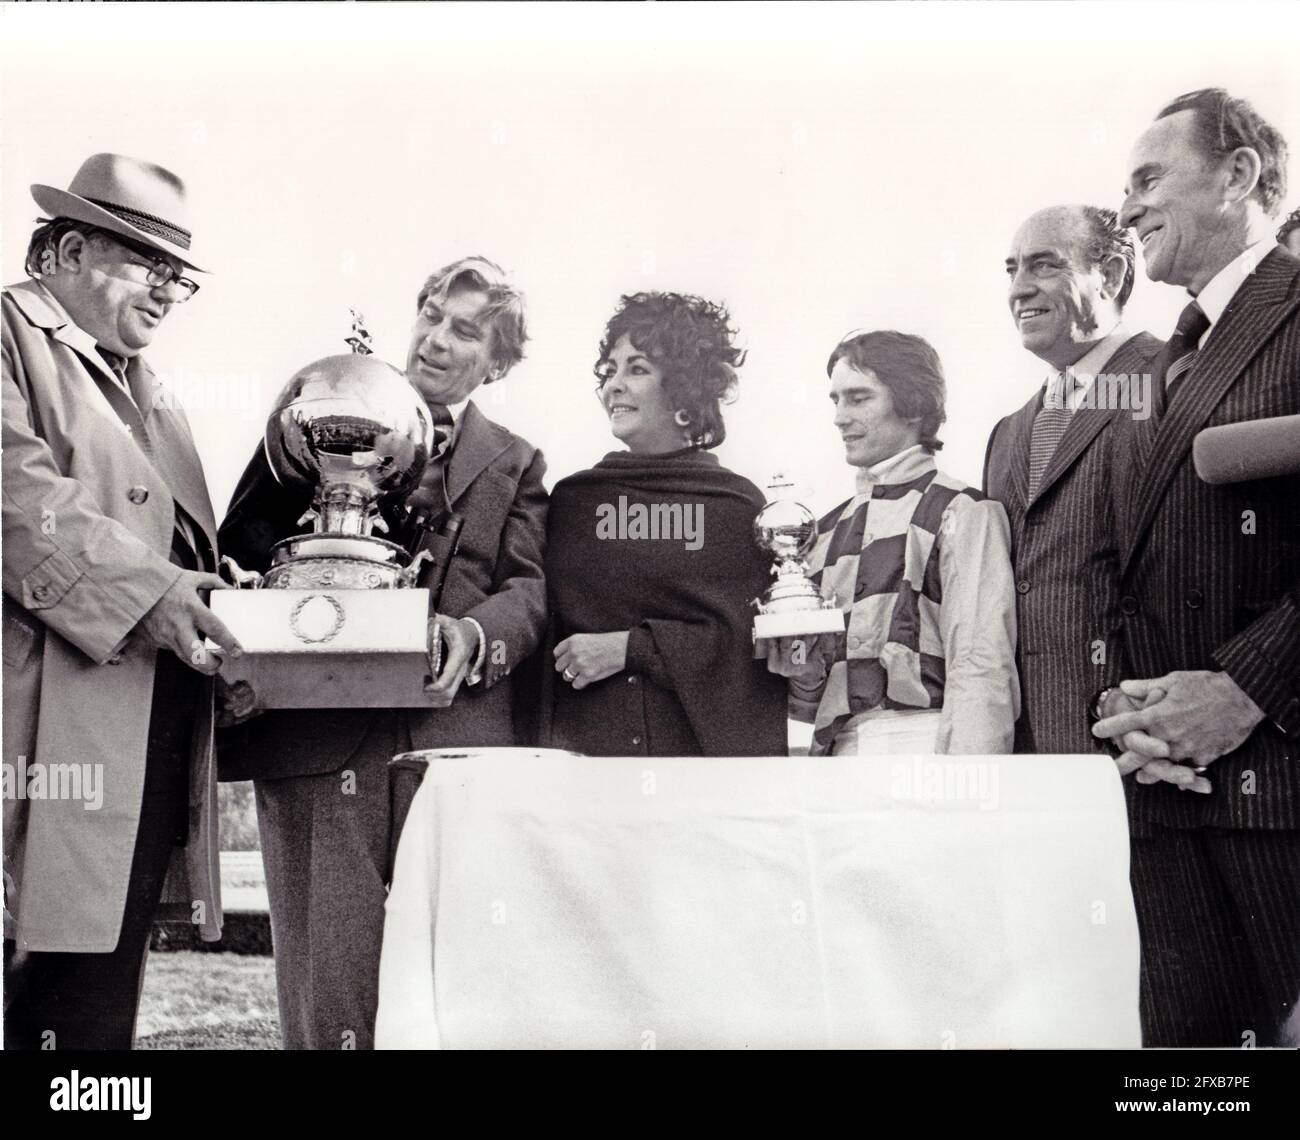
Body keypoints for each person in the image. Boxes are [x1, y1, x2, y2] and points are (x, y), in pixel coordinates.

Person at [217, 256, 548, 1049]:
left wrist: (474, 635)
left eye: (464, 330)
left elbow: (529, 590)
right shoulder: (327, 410)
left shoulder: (517, 459)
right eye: (430, 314)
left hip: (452, 746)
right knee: (327, 992)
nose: (434, 339)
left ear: (497, 362)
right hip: (315, 739)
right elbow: (243, 541)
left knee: (450, 986)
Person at [3, 153, 240, 1048]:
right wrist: (160, 597)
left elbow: (185, 547)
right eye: (148, 263)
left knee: (95, 995)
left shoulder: (156, 394)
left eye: (180, 276)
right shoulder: (6, 336)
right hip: (33, 729)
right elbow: (16, 504)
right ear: (66, 248)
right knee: (44, 982)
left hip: (148, 725)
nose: (168, 291)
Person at [1093, 88, 1300, 1047]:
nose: (1126, 209)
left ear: (1240, 175)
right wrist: (1134, 720)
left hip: (1281, 794)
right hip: (1167, 799)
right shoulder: (1162, 362)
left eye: (1147, 179)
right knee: (1188, 1094)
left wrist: (1245, 690)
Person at [539, 292, 786, 756]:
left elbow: (747, 644)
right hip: (586, 760)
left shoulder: (735, 506)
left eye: (637, 369)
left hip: (695, 764)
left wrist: (633, 649)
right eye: (611, 369)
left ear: (684, 391)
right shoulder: (574, 503)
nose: (614, 384)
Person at [766, 331, 1018, 756]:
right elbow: (808, 704)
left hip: (929, 750)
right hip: (835, 761)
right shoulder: (821, 531)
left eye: (859, 398)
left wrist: (972, 791)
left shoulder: (962, 511)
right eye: (836, 400)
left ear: (913, 405)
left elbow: (981, 666)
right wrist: (805, 677)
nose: (840, 417)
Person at [984, 205, 1161, 753]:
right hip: (1034, 764)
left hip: (1154, 757)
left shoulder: (1178, 380)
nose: (1019, 289)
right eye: (1011, 269)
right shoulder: (1007, 433)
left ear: (1108, 275)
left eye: (1043, 266)